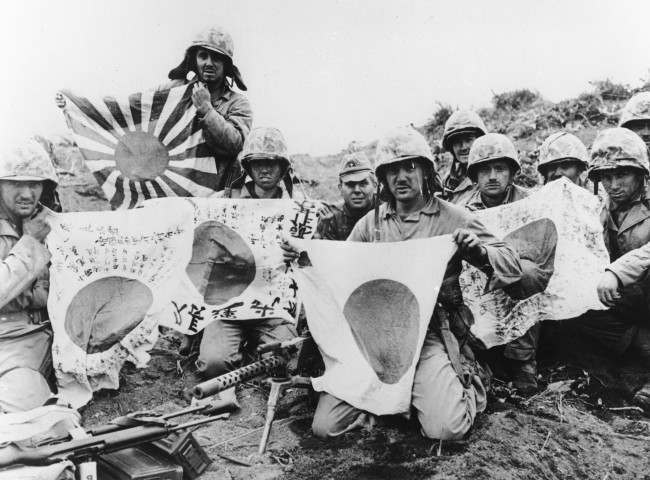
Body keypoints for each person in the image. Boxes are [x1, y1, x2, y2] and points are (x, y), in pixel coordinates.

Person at [284, 126, 523, 440]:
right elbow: (342, 273)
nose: (401, 176)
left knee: (445, 429)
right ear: (383, 178)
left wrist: (478, 252)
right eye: (392, 170)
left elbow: (512, 264)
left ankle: (471, 381)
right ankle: (398, 403)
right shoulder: (370, 224)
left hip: (431, 332)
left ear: (425, 170)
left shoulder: (453, 217)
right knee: (326, 427)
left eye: (409, 166)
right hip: (378, 336)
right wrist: (305, 256)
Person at [55, 25, 253, 194]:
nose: (209, 63)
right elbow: (132, 109)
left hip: (217, 195)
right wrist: (79, 104)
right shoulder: (172, 92)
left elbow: (234, 144)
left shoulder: (238, 104)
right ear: (194, 60)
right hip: (172, 192)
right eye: (203, 56)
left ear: (226, 65)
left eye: (216, 58)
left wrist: (207, 110)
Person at [191, 127, 299, 404]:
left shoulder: (297, 209)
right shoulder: (223, 203)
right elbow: (199, 240)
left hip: (272, 303)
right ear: (248, 166)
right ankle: (228, 349)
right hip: (229, 302)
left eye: (272, 162)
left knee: (287, 360)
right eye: (258, 162)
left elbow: (309, 260)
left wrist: (296, 252)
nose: (265, 169)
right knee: (213, 365)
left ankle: (255, 349)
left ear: (283, 167)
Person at [571, 127, 650, 409]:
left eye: (622, 175)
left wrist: (616, 272)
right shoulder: (598, 211)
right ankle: (629, 367)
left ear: (641, 173)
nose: (613, 184)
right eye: (606, 176)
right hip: (624, 307)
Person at [0, 140, 59, 413]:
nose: (26, 193)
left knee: (23, 401)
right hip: (5, 336)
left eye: (35, 184)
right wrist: (31, 243)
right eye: (16, 184)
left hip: (31, 338)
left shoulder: (52, 224)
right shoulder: (35, 233)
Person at [316, 151, 377, 240]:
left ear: (375, 185)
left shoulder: (388, 210)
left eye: (363, 183)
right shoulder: (331, 217)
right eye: (350, 184)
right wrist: (321, 232)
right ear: (340, 188)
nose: (357, 190)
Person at [461, 133, 528, 211]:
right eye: (485, 170)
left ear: (511, 174)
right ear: (475, 176)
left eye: (499, 169)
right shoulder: (463, 211)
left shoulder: (529, 201)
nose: (492, 177)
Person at [441, 110, 488, 205]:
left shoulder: (493, 175)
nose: (463, 147)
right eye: (457, 142)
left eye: (469, 140)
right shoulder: (448, 181)